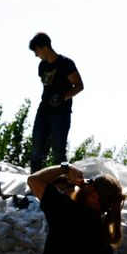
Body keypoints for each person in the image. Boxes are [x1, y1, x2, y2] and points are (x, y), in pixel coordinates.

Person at [27, 33, 83, 173]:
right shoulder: (42, 66)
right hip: (44, 111)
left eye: (37, 51)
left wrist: (63, 97)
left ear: (45, 48)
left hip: (61, 113)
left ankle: (62, 183)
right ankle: (35, 182)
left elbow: (79, 85)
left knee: (58, 150)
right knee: (36, 147)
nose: (36, 55)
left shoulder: (66, 64)